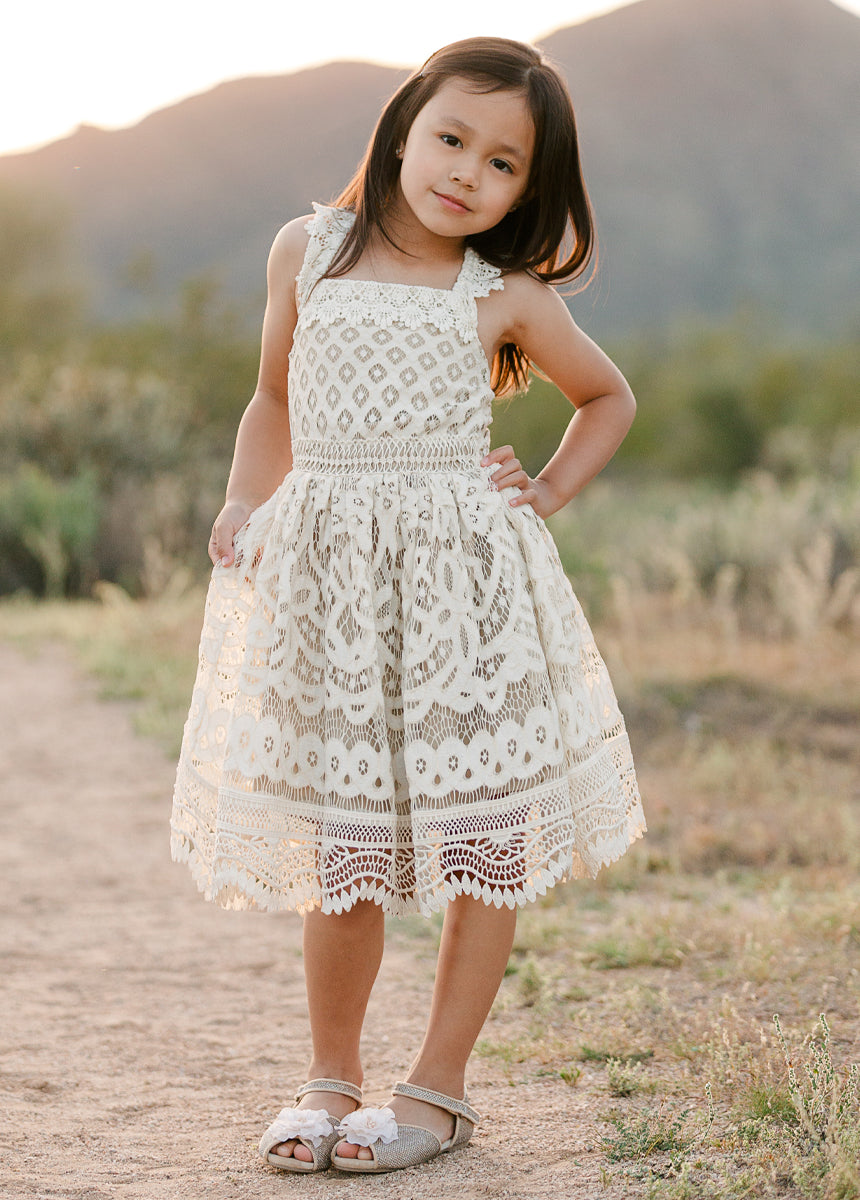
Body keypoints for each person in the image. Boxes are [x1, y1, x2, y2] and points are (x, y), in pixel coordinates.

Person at [170, 35, 646, 1175]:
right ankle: (329, 1078)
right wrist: (245, 499)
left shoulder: (504, 295)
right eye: (449, 138)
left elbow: (607, 397)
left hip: (462, 594)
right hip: (330, 585)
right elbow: (270, 399)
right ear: (399, 127)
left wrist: (543, 493)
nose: (464, 173)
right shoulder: (310, 250)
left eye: (502, 164)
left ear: (527, 191)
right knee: (346, 843)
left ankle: (434, 1089)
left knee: (479, 837)